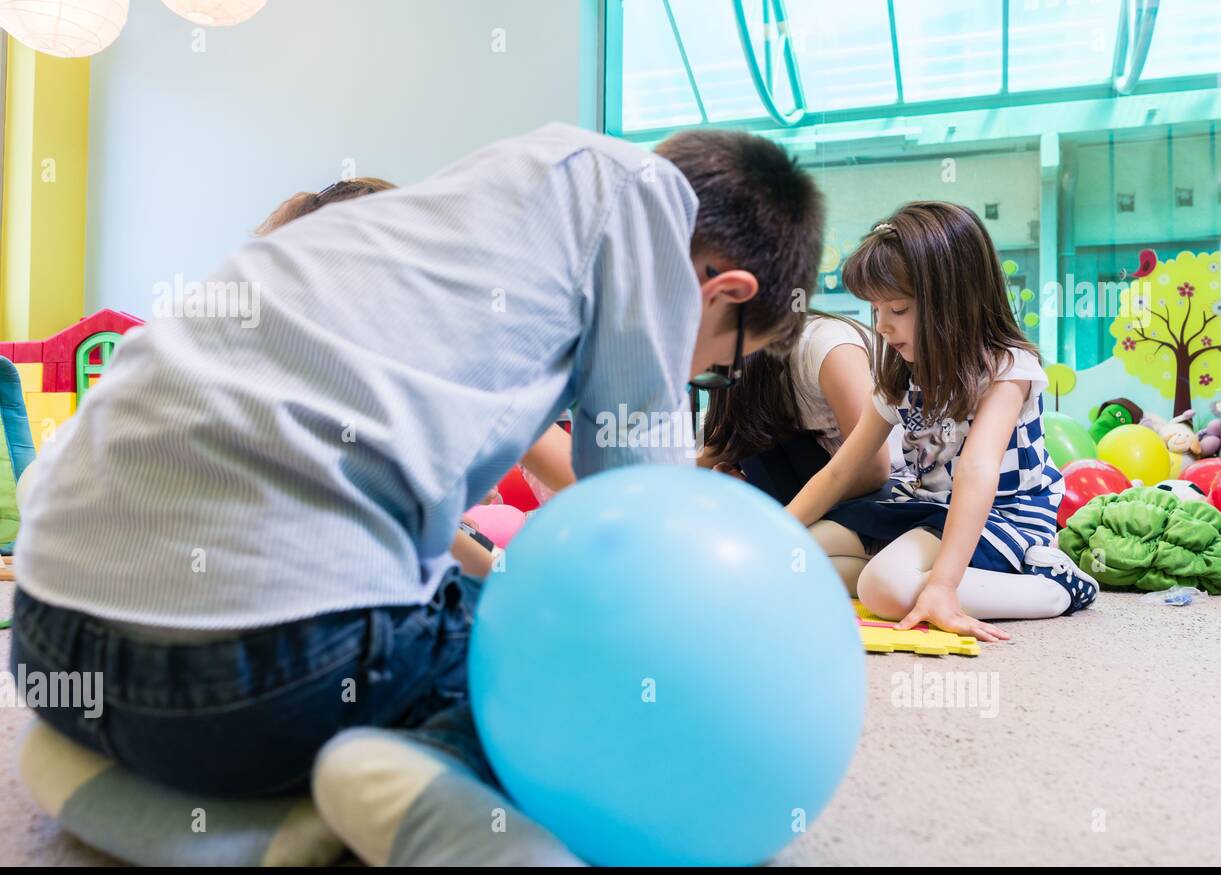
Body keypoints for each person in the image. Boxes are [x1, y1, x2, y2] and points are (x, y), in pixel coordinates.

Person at [11, 123, 827, 798]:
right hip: (250, 681)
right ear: (727, 292)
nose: (697, 374)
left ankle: (129, 799)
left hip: (49, 646)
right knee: (567, 670)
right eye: (721, 360)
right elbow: (644, 516)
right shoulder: (649, 205)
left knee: (455, 590)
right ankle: (408, 807)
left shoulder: (513, 182)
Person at [787, 201, 1098, 642]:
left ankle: (1053, 588)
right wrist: (772, 533)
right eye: (876, 311)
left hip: (1000, 514)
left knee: (883, 587)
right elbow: (841, 470)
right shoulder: (903, 373)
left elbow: (977, 470)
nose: (882, 327)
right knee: (802, 551)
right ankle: (912, 574)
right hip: (927, 508)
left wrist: (944, 586)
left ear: (955, 302)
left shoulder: (1008, 367)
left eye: (897, 310)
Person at [696, 309, 907, 512]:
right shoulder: (746, 376)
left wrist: (760, 499)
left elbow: (874, 471)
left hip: (882, 484)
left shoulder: (826, 345)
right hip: (816, 479)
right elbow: (720, 441)